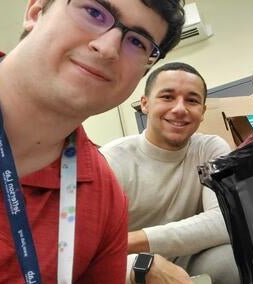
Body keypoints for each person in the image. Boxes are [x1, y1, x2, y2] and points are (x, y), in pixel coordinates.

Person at [0, 0, 188, 282]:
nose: (108, 48)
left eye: (137, 42)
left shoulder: (104, 196)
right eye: (93, 12)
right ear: (36, 11)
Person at [100, 62, 239, 284]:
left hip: (190, 260)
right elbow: (90, 249)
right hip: (131, 267)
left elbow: (224, 220)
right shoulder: (112, 160)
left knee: (231, 259)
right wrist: (143, 261)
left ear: (202, 112)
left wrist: (133, 239)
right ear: (145, 104)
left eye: (192, 100)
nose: (180, 109)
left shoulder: (210, 149)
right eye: (167, 97)